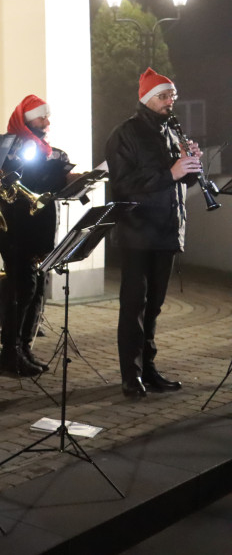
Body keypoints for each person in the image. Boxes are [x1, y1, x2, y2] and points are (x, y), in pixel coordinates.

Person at [105, 68, 197, 399]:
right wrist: (170, 173)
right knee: (134, 307)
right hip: (137, 233)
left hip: (166, 231)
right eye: (163, 96)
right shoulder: (125, 134)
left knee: (154, 306)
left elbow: (174, 181)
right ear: (146, 98)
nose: (169, 102)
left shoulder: (171, 130)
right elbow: (123, 185)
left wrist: (188, 170)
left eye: (172, 96)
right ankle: (131, 375)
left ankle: (149, 367)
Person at [0, 95, 74, 376]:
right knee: (21, 291)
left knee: (37, 290)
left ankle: (24, 347)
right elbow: (13, 183)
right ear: (26, 119)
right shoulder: (10, 145)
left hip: (41, 230)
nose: (46, 122)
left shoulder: (47, 150)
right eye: (41, 117)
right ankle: (9, 352)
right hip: (18, 232)